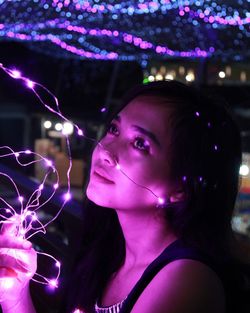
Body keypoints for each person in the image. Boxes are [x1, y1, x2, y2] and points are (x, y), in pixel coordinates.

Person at [0, 80, 249, 313]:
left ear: (181, 188)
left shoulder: (187, 278)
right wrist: (16, 294)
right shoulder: (109, 254)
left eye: (140, 143)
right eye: (114, 129)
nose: (106, 150)